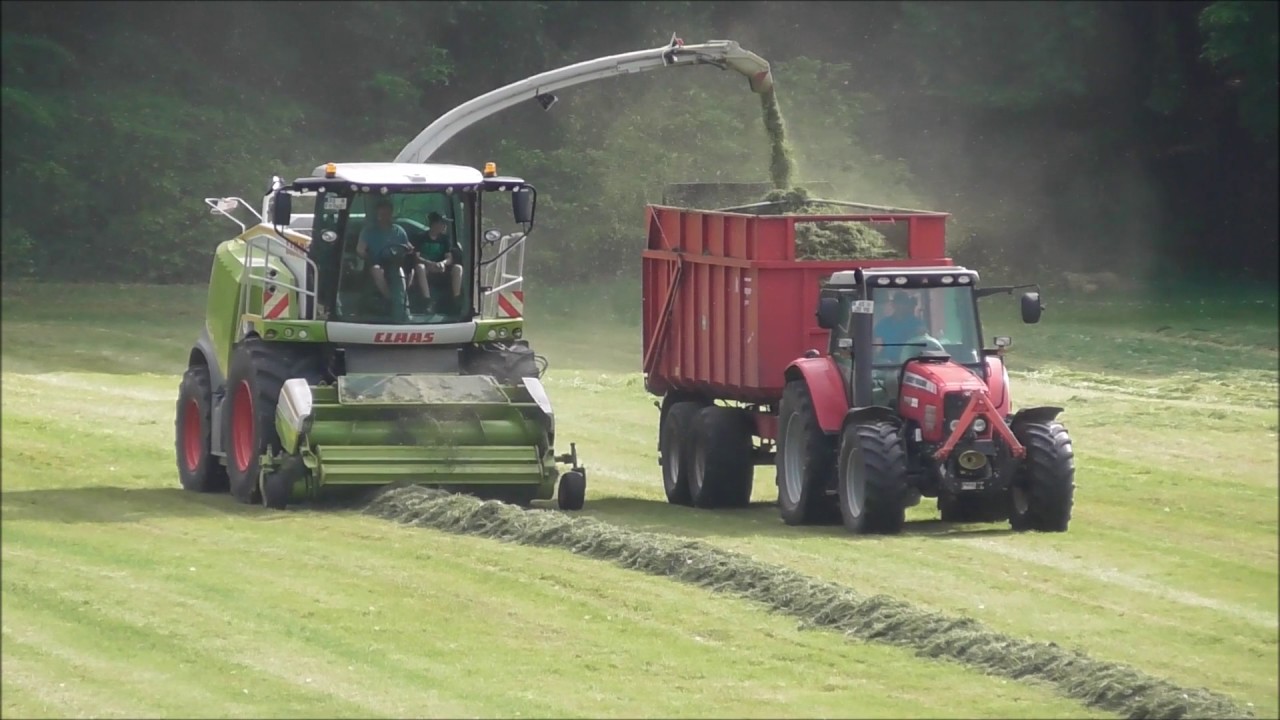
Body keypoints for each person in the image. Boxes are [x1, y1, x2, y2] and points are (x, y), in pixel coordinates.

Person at [357, 198, 430, 303]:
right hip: (379, 262)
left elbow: (408, 246)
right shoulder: (368, 231)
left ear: (391, 214)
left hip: (398, 262)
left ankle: (404, 299)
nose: (384, 217)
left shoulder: (399, 230)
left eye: (387, 214)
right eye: (381, 214)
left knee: (408, 270)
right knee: (376, 270)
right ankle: (390, 298)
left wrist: (410, 250)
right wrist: (369, 258)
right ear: (377, 214)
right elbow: (360, 250)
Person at [411, 210, 465, 310]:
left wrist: (442, 263)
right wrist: (429, 263)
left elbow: (449, 257)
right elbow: (416, 257)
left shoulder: (445, 239)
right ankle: (427, 300)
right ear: (434, 224)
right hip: (426, 267)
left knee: (458, 268)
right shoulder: (420, 237)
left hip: (440, 267)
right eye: (442, 223)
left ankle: (456, 299)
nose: (444, 226)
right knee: (419, 267)